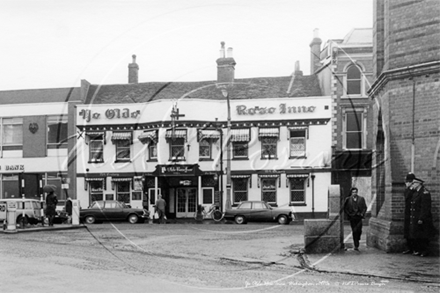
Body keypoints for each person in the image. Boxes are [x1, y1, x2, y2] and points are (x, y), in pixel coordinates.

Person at [408, 176, 434, 257]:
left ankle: (424, 250)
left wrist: (421, 218)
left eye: (414, 183)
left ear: (419, 184)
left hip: (422, 218)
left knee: (423, 235)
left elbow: (425, 207)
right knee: (417, 235)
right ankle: (419, 250)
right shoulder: (416, 192)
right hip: (415, 217)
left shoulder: (424, 193)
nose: (413, 185)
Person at [344, 187, 367, 251]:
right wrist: (349, 214)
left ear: (357, 192)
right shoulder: (348, 199)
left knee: (359, 230)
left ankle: (358, 238)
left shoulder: (361, 199)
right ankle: (356, 244)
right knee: (354, 231)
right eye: (353, 192)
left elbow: (365, 207)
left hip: (359, 217)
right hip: (352, 217)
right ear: (351, 193)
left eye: (355, 192)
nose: (354, 193)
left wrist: (362, 213)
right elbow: (345, 208)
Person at [402, 173, 416, 254]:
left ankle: (414, 247)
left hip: (413, 213)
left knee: (412, 231)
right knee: (407, 230)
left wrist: (410, 189)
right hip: (408, 212)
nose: (406, 183)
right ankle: (409, 247)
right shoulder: (407, 190)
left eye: (408, 182)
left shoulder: (413, 190)